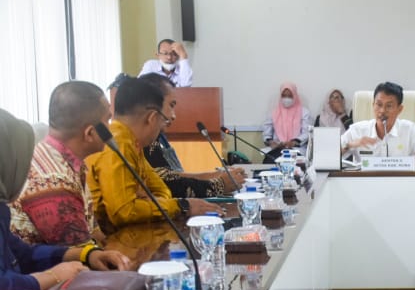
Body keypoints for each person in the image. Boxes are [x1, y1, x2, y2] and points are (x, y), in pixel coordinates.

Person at [0, 108, 130, 290]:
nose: (27, 170)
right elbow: (3, 287)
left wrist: (86, 255)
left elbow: (24, 254)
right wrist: (53, 276)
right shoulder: (52, 178)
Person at [86, 77, 223, 233]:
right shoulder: (118, 145)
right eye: (162, 120)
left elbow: (163, 191)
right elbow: (124, 212)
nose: (169, 120)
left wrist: (146, 203)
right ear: (151, 118)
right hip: (108, 241)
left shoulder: (132, 142)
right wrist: (182, 205)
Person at [10, 81, 111, 246]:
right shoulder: (54, 182)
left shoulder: (59, 159)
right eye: (108, 120)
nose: (111, 129)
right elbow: (82, 254)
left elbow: (93, 233)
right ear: (90, 133)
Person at [138, 73, 246, 197]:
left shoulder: (154, 136)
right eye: (171, 105)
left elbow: (169, 175)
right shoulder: (137, 139)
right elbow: (166, 183)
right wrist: (219, 184)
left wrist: (215, 176)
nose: (173, 116)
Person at [341, 81, 415, 163]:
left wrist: (402, 163)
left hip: (399, 178)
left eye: (389, 106)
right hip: (365, 178)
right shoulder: (357, 130)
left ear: (399, 109)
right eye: (379, 104)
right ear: (373, 105)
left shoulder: (409, 129)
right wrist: (349, 145)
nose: (382, 111)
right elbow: (333, 155)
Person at [262, 82, 311, 160]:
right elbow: (266, 134)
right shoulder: (274, 113)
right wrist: (271, 142)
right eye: (284, 96)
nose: (286, 99)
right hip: (278, 148)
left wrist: (293, 142)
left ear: (295, 96)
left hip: (296, 149)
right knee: (268, 161)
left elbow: (306, 132)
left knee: (294, 163)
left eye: (290, 96)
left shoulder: (304, 112)